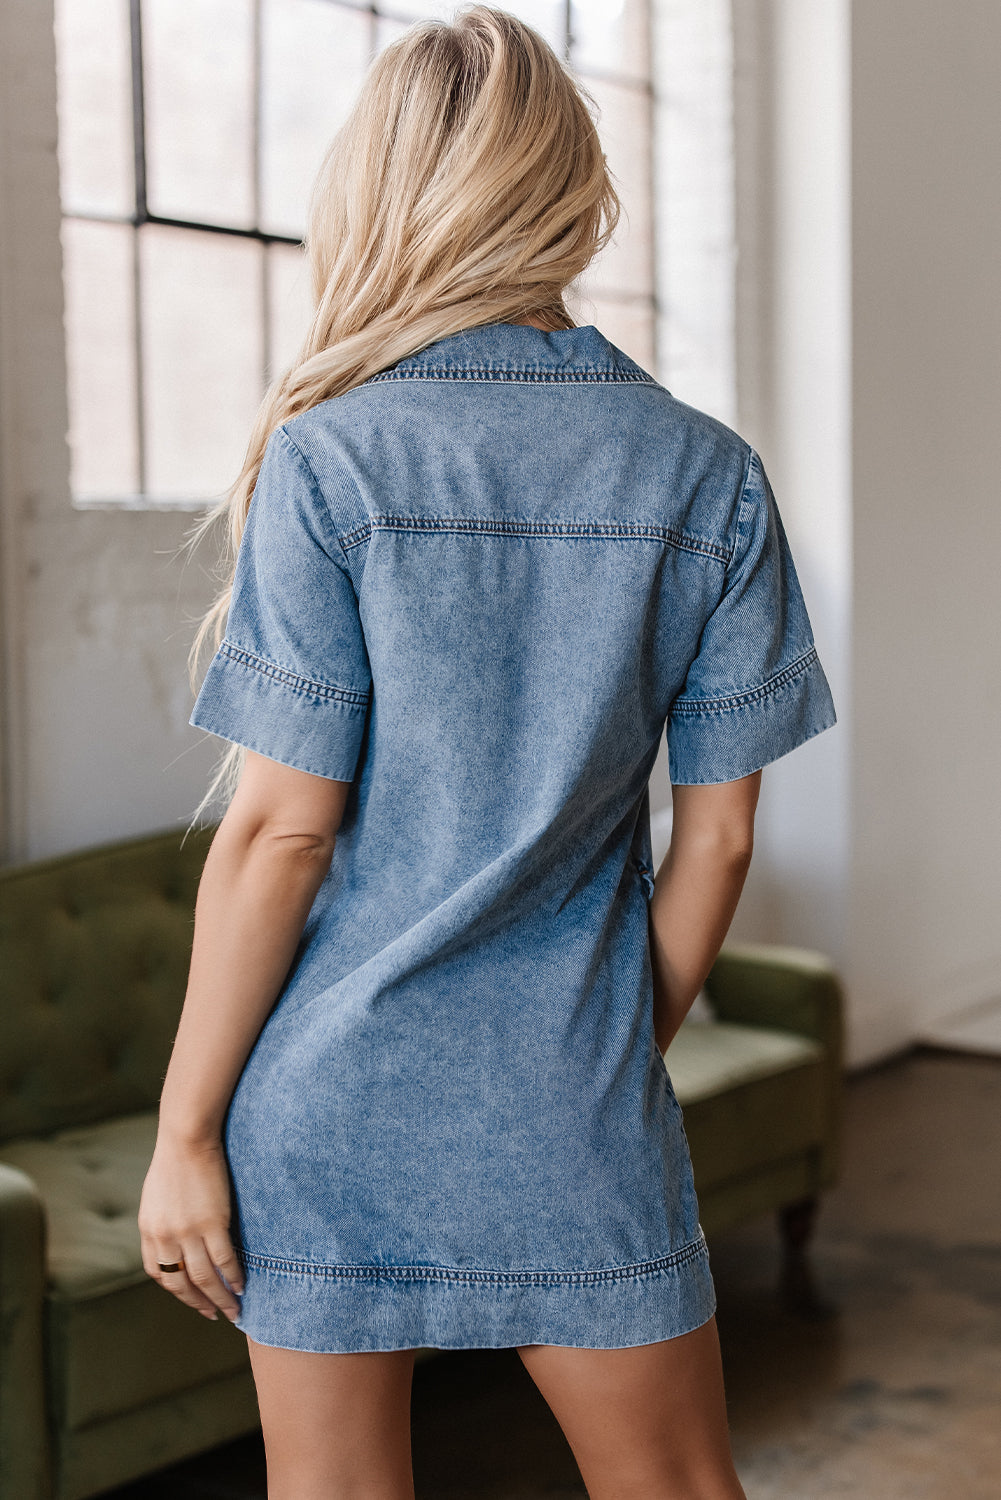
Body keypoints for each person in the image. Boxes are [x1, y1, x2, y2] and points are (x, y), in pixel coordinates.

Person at [138, 7, 836, 1497]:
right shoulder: (705, 474)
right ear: (572, 195)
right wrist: (596, 1063)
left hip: (323, 1100)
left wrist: (184, 1129)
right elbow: (713, 839)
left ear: (379, 197)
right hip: (569, 1102)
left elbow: (280, 834)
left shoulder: (331, 458)